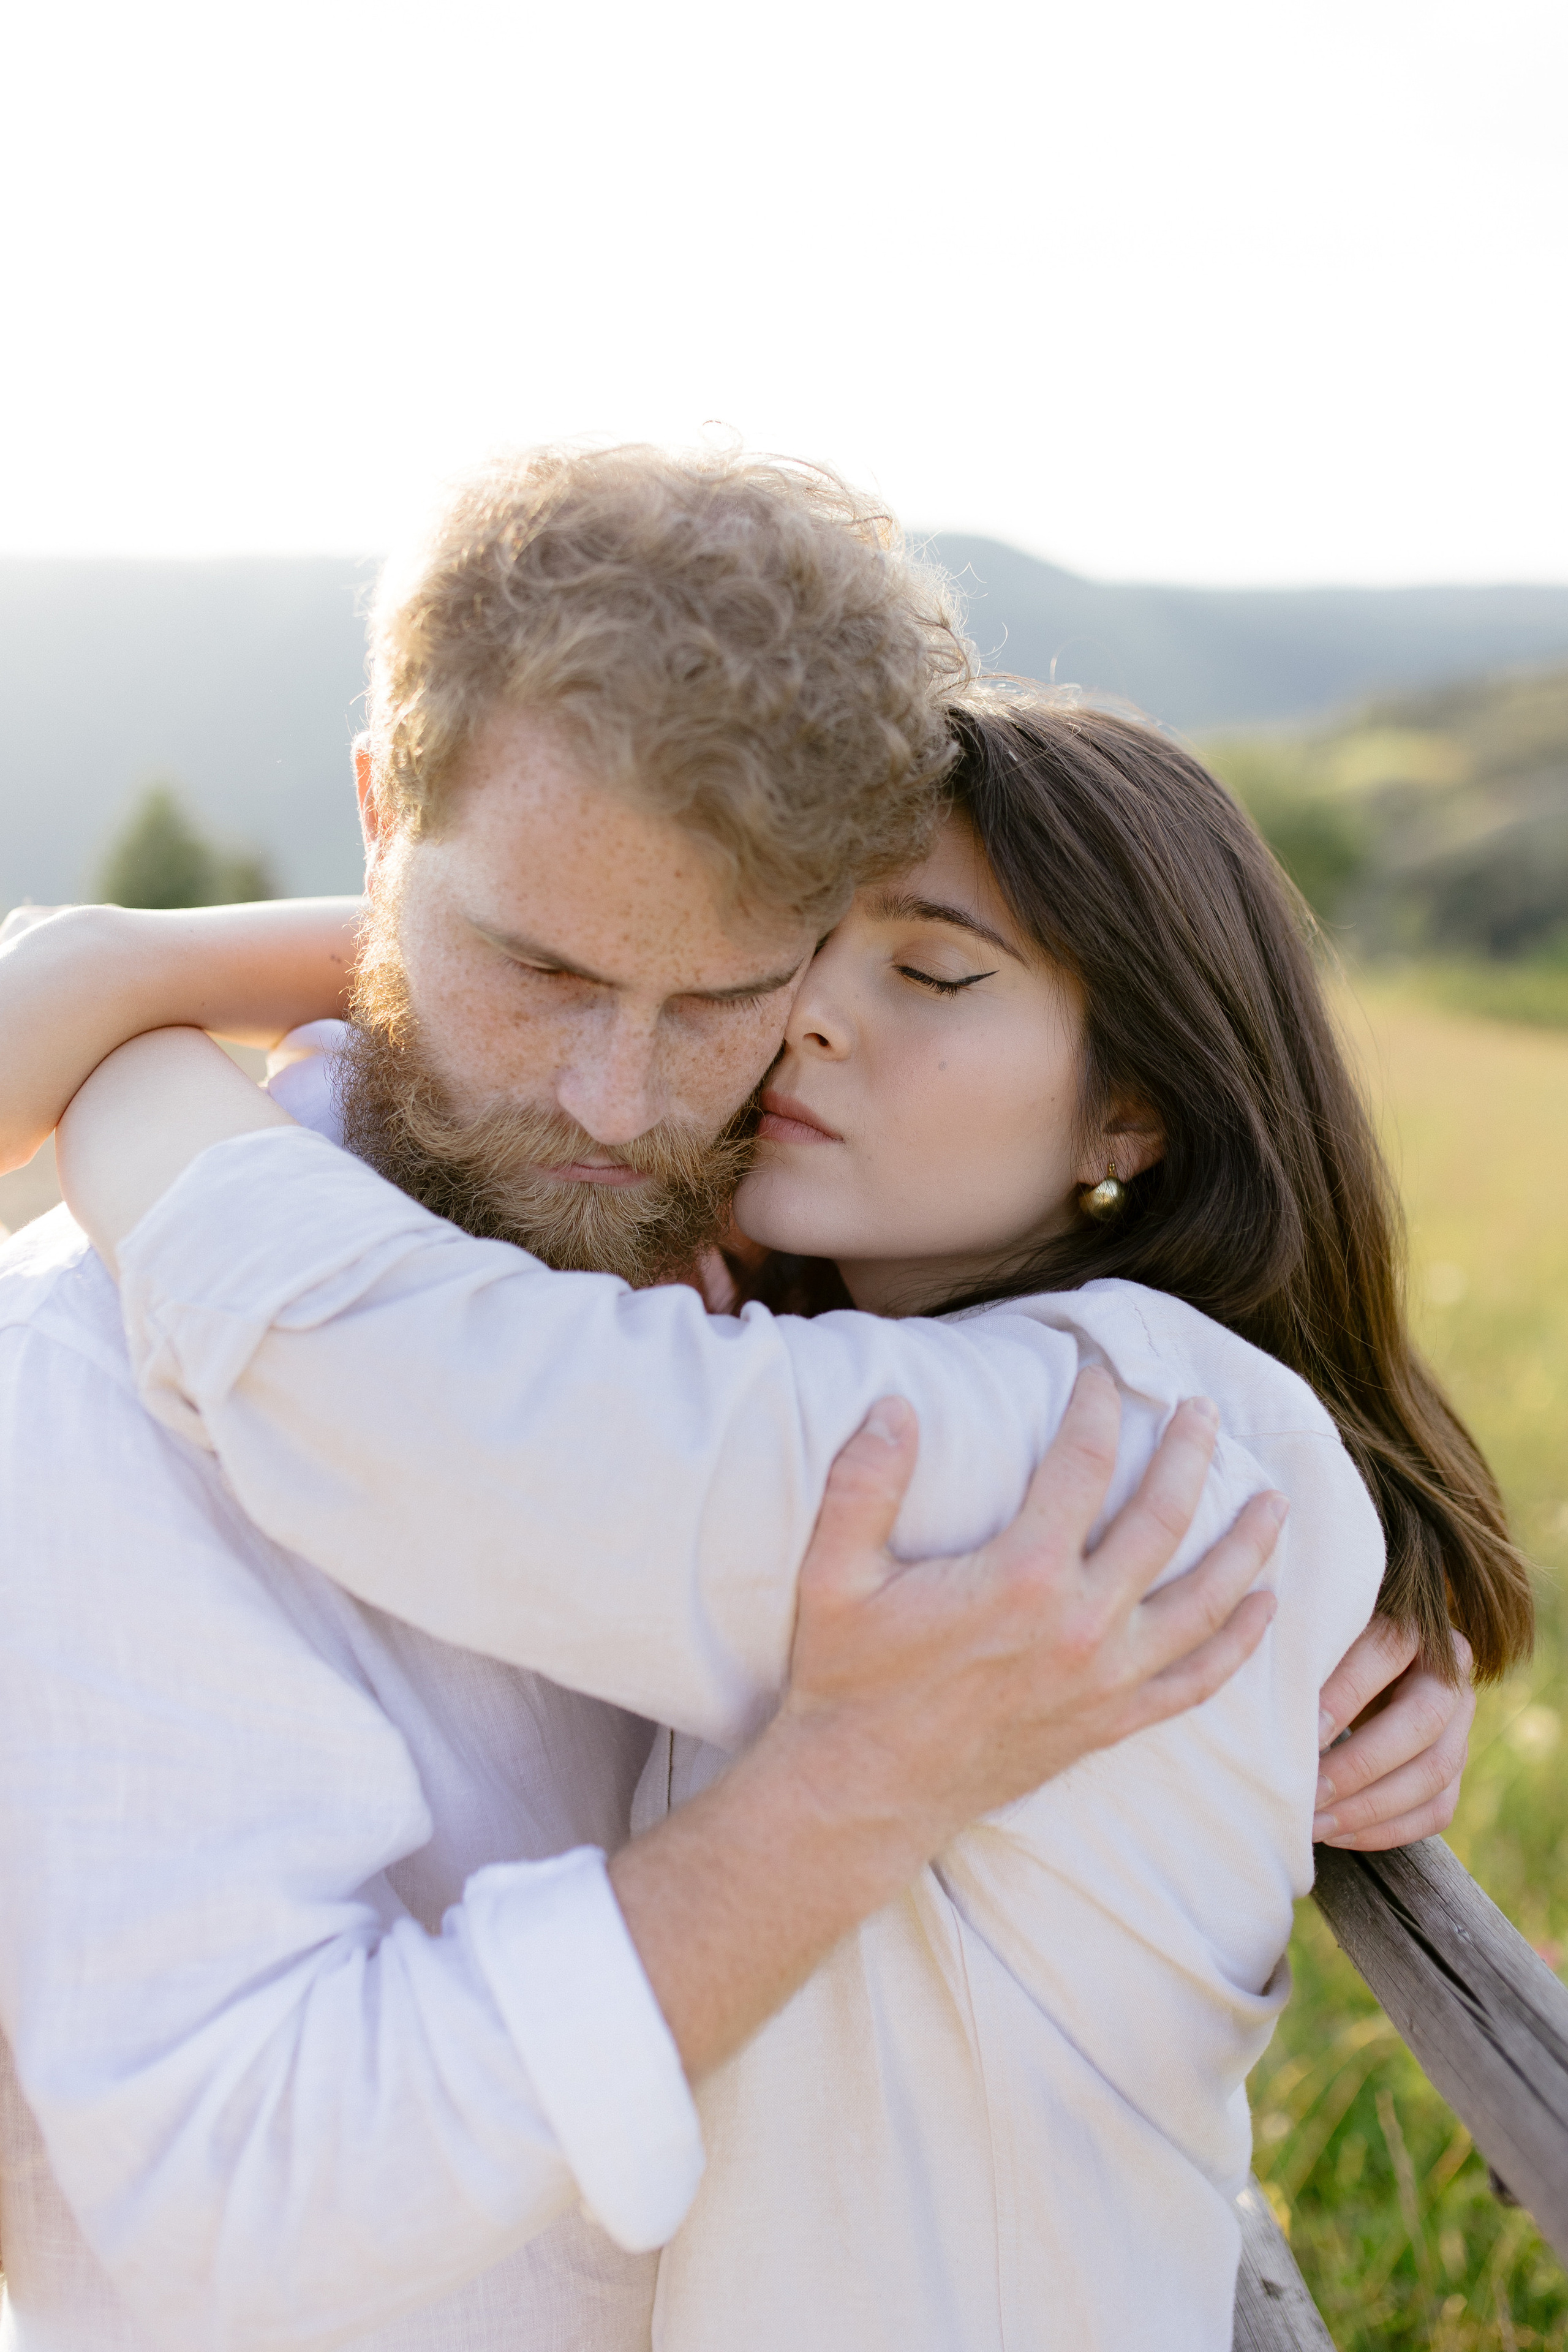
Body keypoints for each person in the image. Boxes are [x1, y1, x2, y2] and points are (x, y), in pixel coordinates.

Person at [2, 568, 1504, 2341]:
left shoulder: (1102, 1439)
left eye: (931, 970)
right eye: (794, 953)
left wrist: (120, 1009)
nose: (807, 1022)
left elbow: (424, 1399)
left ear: (1135, 1106)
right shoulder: (837, 1345)